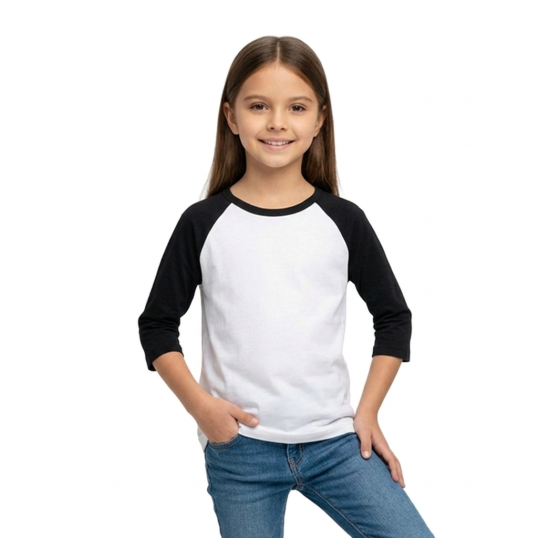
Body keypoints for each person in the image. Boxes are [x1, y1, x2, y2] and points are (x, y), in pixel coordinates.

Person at [138, 36, 434, 538]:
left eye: (296, 107)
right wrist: (203, 410)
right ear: (231, 117)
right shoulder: (203, 223)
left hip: (336, 444)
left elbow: (394, 318)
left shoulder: (344, 221)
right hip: (240, 451)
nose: (277, 122)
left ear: (319, 120)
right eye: (259, 106)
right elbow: (157, 326)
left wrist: (367, 413)